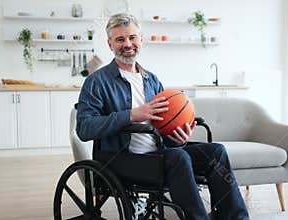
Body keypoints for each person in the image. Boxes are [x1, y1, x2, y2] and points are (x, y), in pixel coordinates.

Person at [76, 13, 250, 220]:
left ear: (141, 39)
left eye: (132, 37)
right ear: (110, 44)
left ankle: (236, 217)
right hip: (122, 160)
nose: (128, 44)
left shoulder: (152, 81)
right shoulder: (97, 82)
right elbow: (85, 128)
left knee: (216, 152)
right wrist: (131, 115)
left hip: (160, 154)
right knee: (178, 157)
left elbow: (161, 128)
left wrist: (177, 138)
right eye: (120, 39)